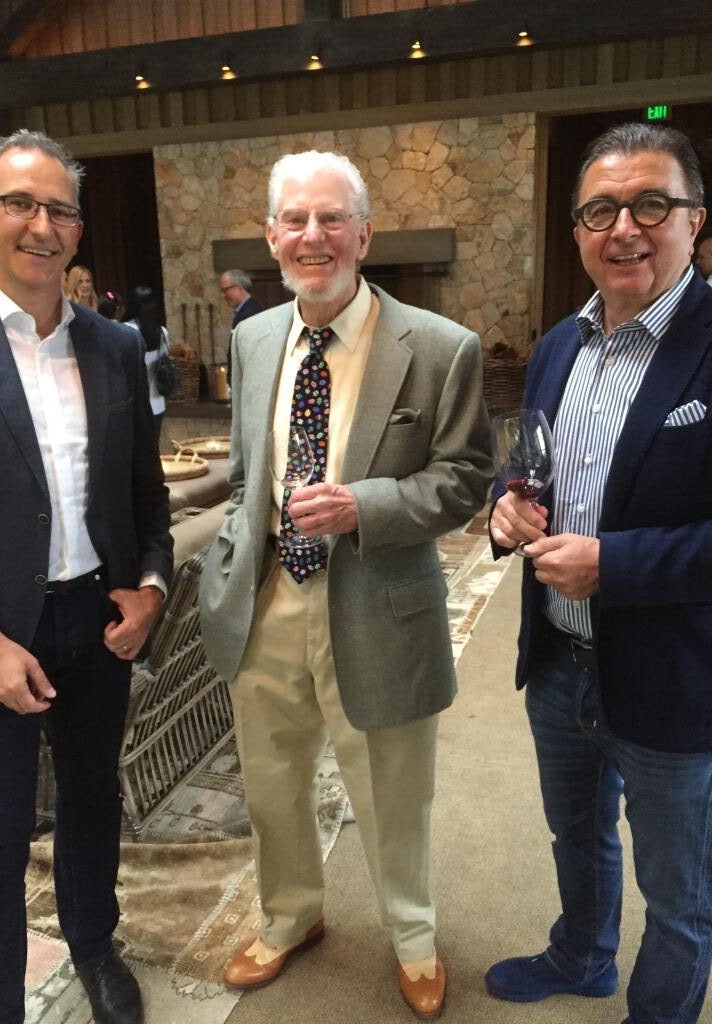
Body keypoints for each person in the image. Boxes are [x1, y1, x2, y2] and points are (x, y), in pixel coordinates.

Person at [198, 150, 492, 1020]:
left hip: (378, 603)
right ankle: (290, 917)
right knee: (271, 784)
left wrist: (365, 505)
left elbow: (467, 478)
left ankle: (413, 937)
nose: (313, 236)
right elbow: (246, 473)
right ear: (271, 237)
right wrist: (230, 564)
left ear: (364, 234)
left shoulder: (438, 347)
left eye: (332, 218)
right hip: (267, 603)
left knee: (393, 790)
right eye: (295, 219)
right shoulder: (254, 338)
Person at [0, 128, 172, 1024]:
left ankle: (94, 947)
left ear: (78, 230)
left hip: (96, 621)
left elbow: (144, 492)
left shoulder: (114, 345)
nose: (41, 226)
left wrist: (151, 587)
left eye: (60, 211)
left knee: (92, 802)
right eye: (20, 205)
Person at [486, 123, 712, 1024]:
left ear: (695, 220)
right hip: (559, 662)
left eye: (651, 204)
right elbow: (529, 468)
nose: (624, 227)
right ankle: (581, 956)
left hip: (675, 675)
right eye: (600, 210)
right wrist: (505, 509)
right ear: (577, 229)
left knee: (680, 889)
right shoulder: (558, 347)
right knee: (574, 834)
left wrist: (615, 565)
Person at [123, 285, 171, 442]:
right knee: (153, 448)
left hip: (134, 405)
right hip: (157, 403)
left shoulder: (126, 331)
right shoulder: (162, 332)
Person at [220, 268, 263, 384]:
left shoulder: (250, 313)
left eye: (225, 290)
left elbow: (249, 352)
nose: (223, 295)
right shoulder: (245, 310)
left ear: (239, 288)